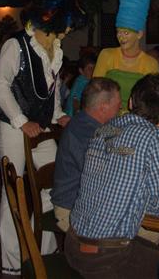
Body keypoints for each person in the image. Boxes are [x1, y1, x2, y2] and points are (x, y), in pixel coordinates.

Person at [0, 0, 85, 275]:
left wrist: (58, 115)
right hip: (12, 127)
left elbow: (52, 90)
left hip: (41, 127)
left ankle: (42, 251)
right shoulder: (15, 45)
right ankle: (12, 263)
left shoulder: (55, 48)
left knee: (55, 184)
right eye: (67, 24)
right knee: (14, 192)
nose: (68, 30)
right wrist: (21, 120)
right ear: (52, 19)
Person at [65, 75, 159, 279]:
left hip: (73, 243)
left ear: (131, 102)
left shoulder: (103, 129)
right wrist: (136, 198)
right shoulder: (154, 137)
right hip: (105, 259)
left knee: (150, 249)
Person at [52, 77, 121, 232]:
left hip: (85, 204)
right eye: (118, 105)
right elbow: (104, 175)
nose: (121, 109)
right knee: (145, 232)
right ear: (103, 108)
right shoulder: (86, 133)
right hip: (71, 211)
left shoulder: (88, 123)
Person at [93, 0, 159, 112]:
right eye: (119, 31)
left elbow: (152, 102)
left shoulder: (150, 63)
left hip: (137, 119)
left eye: (126, 33)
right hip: (107, 117)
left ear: (139, 34)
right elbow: (95, 93)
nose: (121, 37)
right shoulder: (106, 55)